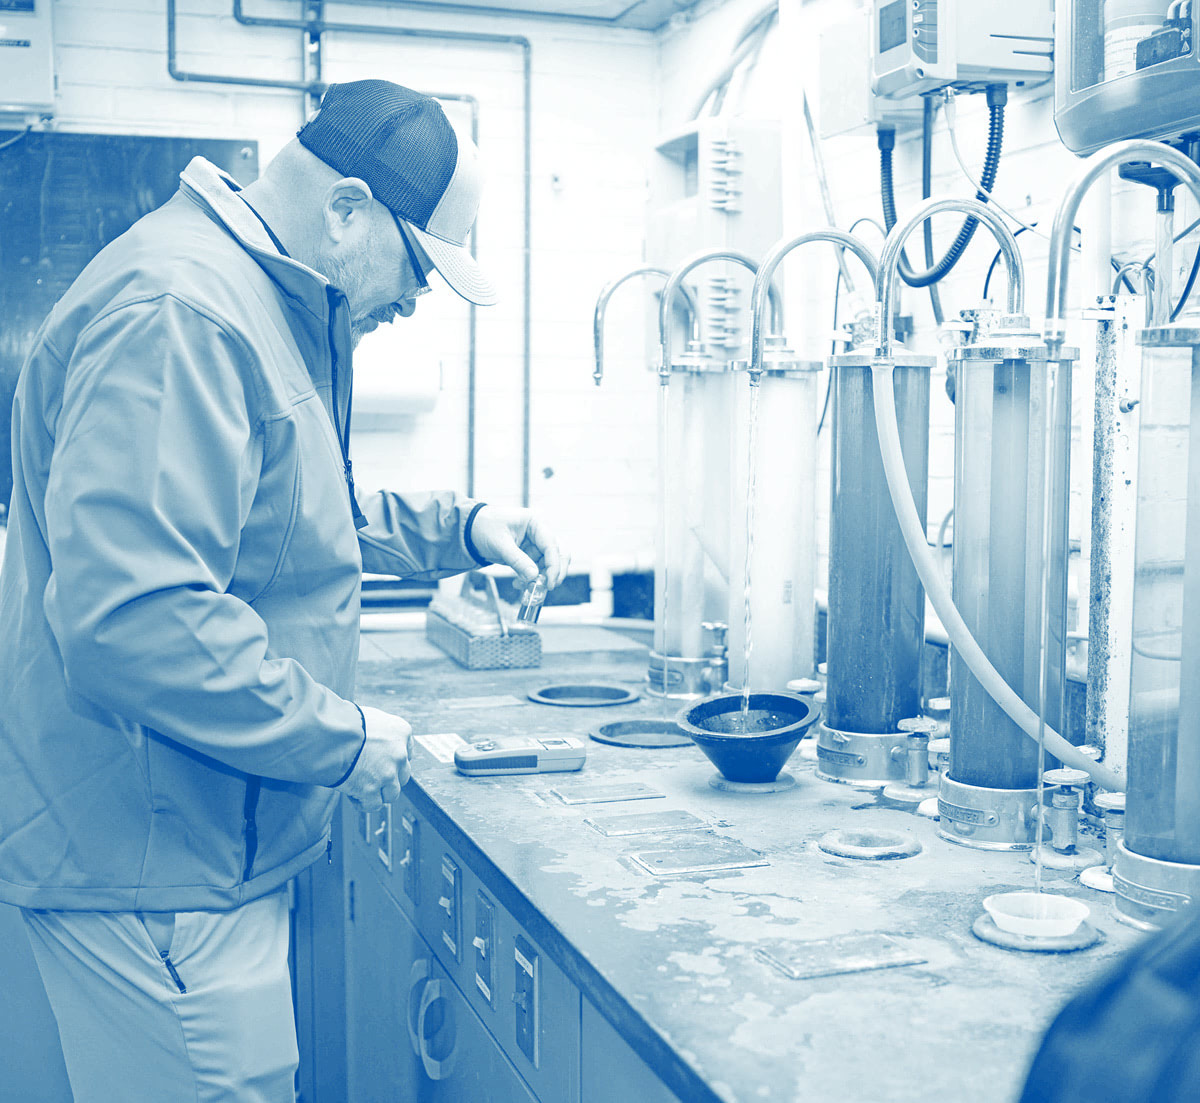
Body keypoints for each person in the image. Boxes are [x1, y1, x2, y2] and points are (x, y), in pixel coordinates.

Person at [0, 79, 564, 1102]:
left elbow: (284, 508)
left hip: (198, 840)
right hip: (156, 859)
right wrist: (343, 737)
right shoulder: (182, 312)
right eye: (420, 266)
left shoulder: (250, 300)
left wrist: (459, 525)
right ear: (347, 208)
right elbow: (133, 621)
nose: (418, 300)